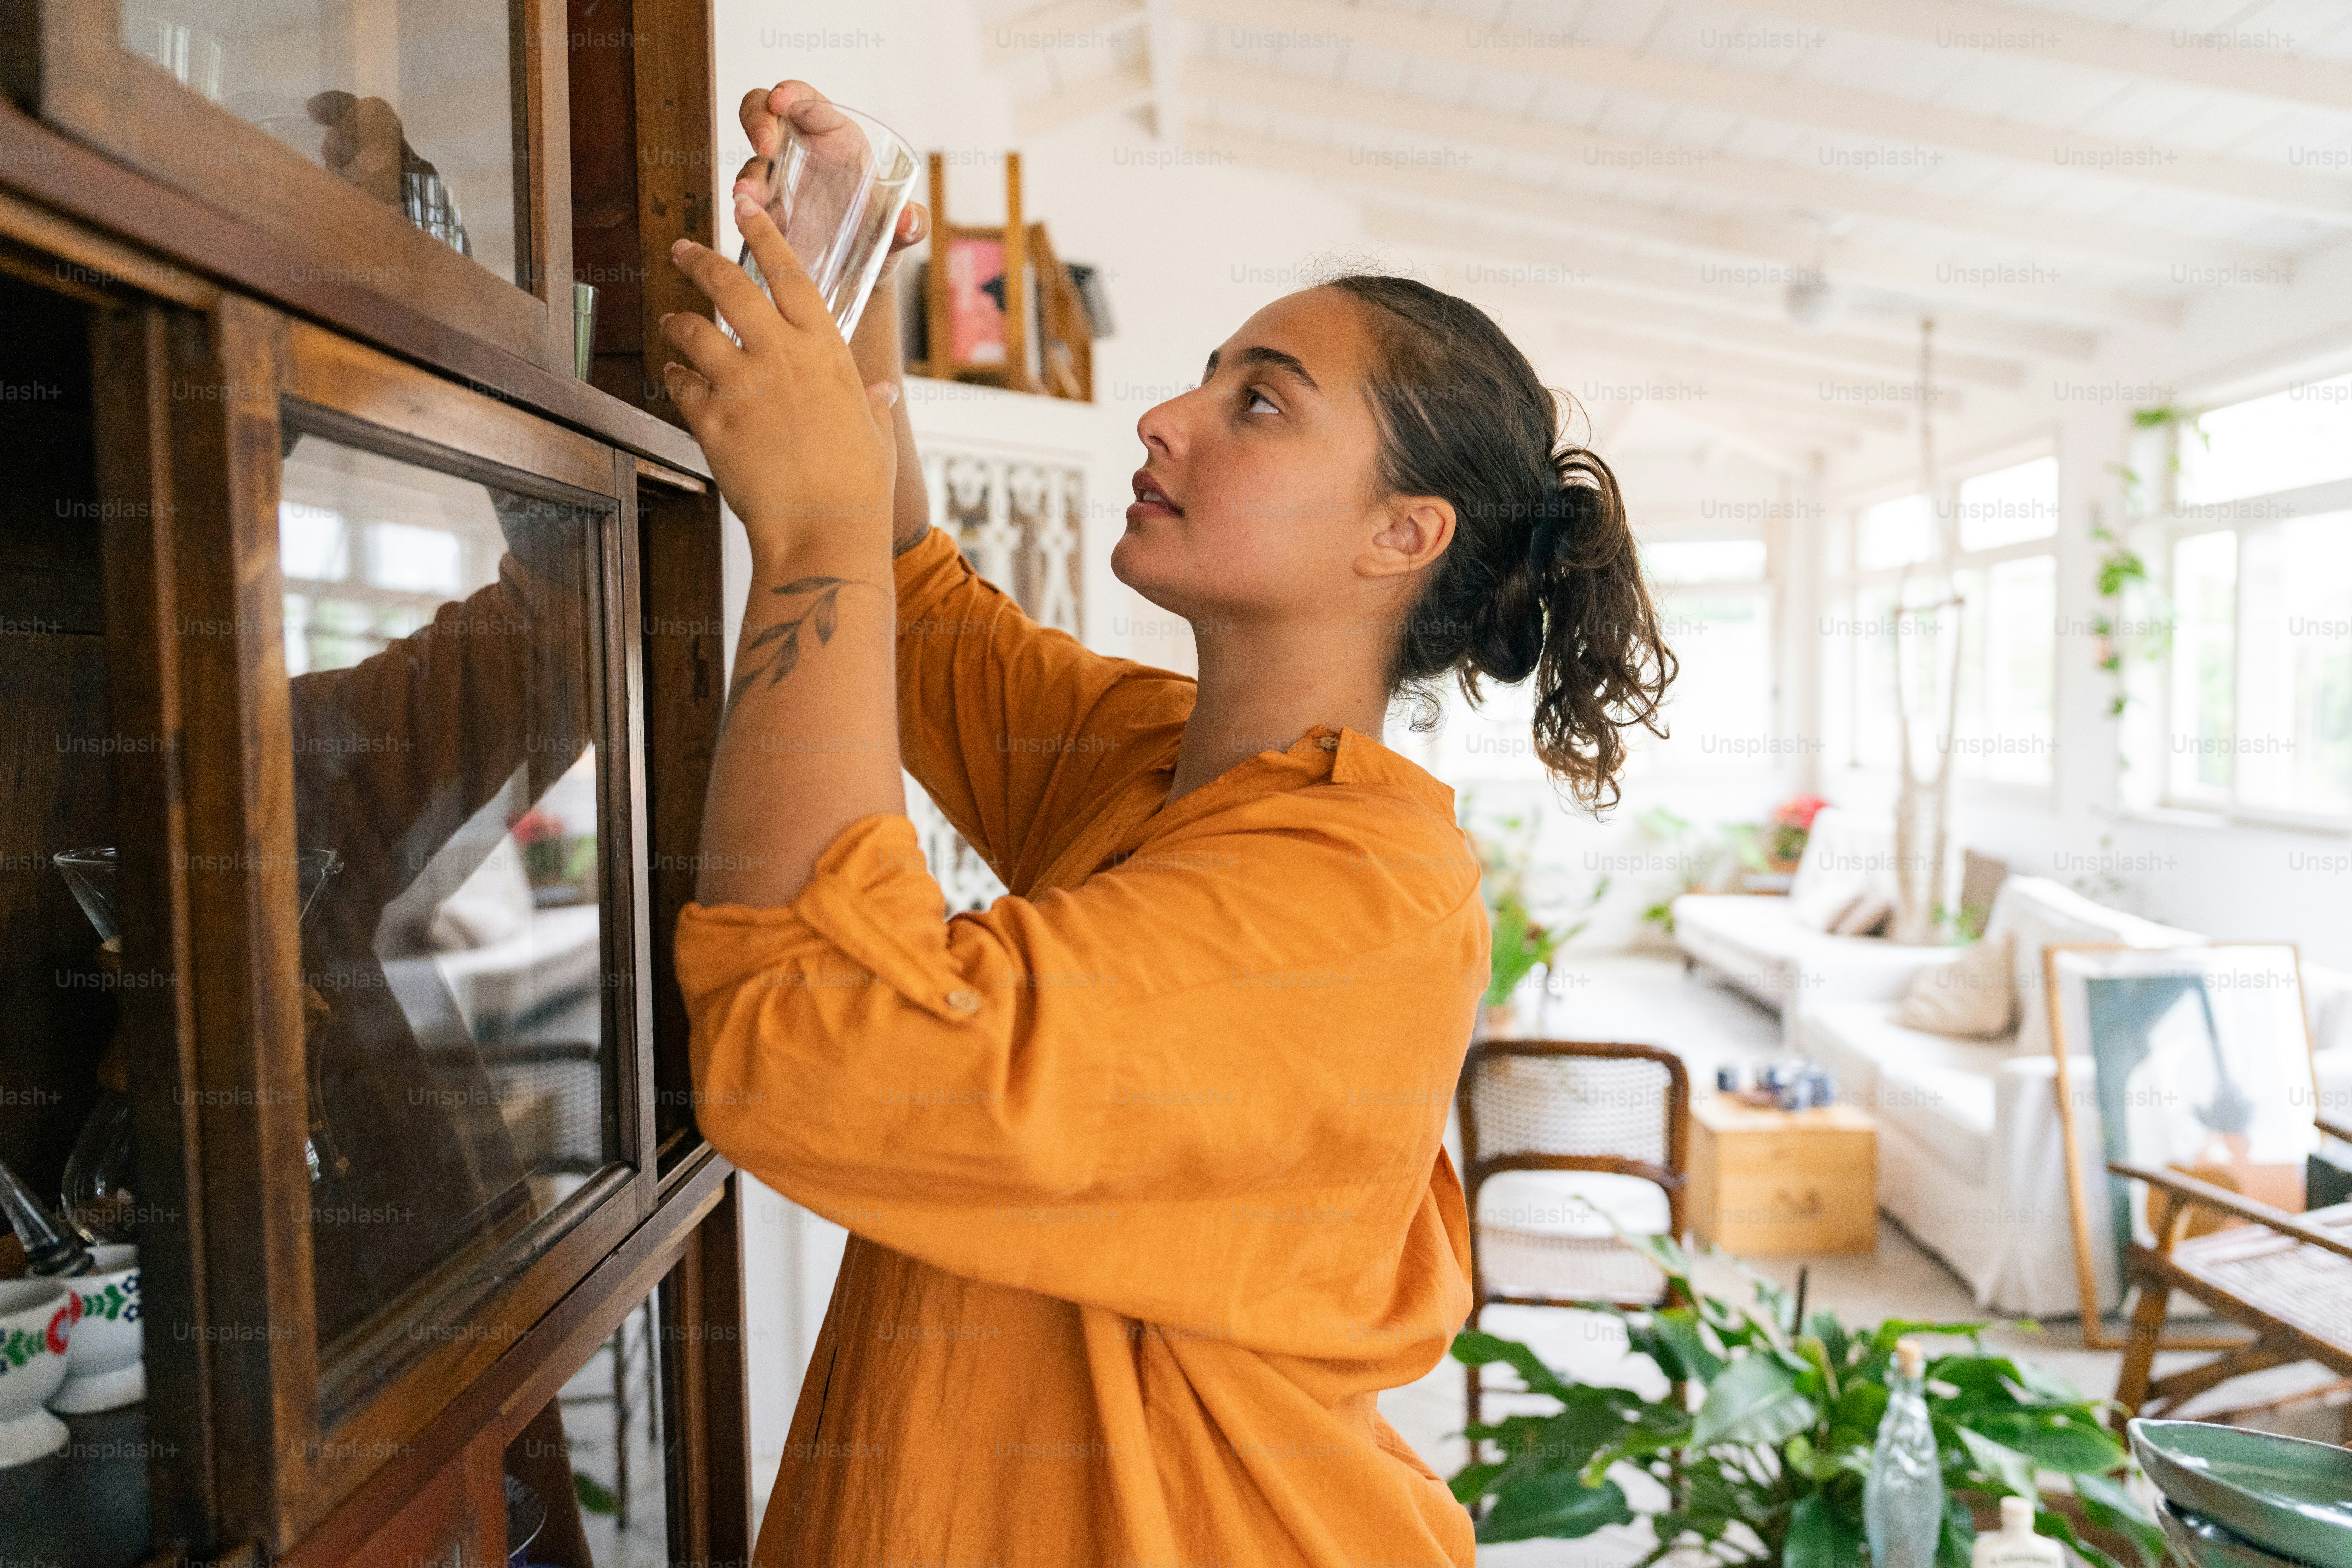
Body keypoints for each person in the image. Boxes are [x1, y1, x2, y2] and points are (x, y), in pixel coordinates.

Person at [658, 79, 1675, 1568]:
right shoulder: (1160, 759)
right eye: (1208, 376)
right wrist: (847, 257)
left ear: (1402, 534)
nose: (1166, 416)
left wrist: (802, 533)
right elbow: (919, 610)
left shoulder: (1358, 899)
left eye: (1256, 401)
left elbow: (818, 1047)